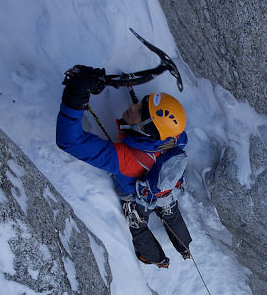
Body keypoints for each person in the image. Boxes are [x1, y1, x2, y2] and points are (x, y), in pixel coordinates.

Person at [56, 65, 192, 268]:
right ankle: (185, 247)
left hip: (139, 198)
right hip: (168, 189)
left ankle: (155, 259)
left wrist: (74, 96)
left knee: (138, 225)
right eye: (143, 103)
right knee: (170, 211)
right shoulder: (174, 136)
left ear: (145, 130)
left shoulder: (124, 159)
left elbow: (71, 141)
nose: (134, 107)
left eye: (141, 112)